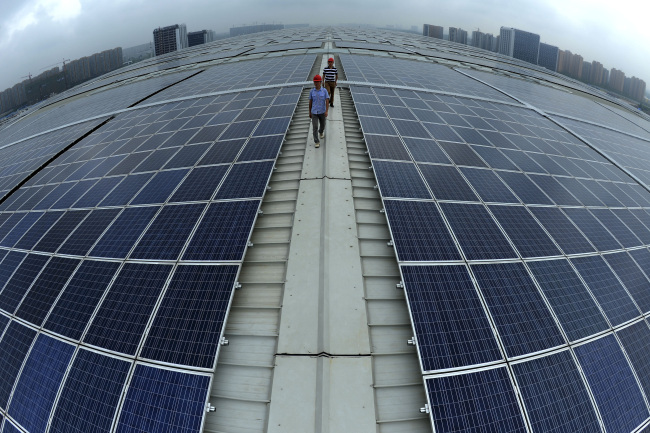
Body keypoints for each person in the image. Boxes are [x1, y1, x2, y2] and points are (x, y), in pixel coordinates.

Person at [309, 74, 329, 148]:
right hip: (314, 112)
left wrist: (326, 111)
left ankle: (321, 132)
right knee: (315, 127)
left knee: (323, 125)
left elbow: (327, 101)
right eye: (315, 82)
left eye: (317, 82)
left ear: (320, 82)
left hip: (322, 112)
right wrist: (309, 112)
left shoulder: (324, 91)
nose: (316, 83)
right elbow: (310, 102)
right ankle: (316, 141)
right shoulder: (311, 91)